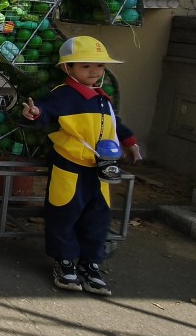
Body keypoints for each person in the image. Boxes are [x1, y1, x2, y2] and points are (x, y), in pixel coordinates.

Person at [21, 36, 142, 296]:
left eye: (99, 66)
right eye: (86, 66)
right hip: (70, 165)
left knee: (98, 217)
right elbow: (44, 111)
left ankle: (91, 265)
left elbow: (116, 124)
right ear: (68, 68)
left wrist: (130, 142)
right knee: (64, 213)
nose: (94, 71)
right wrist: (34, 113)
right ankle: (64, 262)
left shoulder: (102, 98)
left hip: (100, 168)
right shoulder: (63, 95)